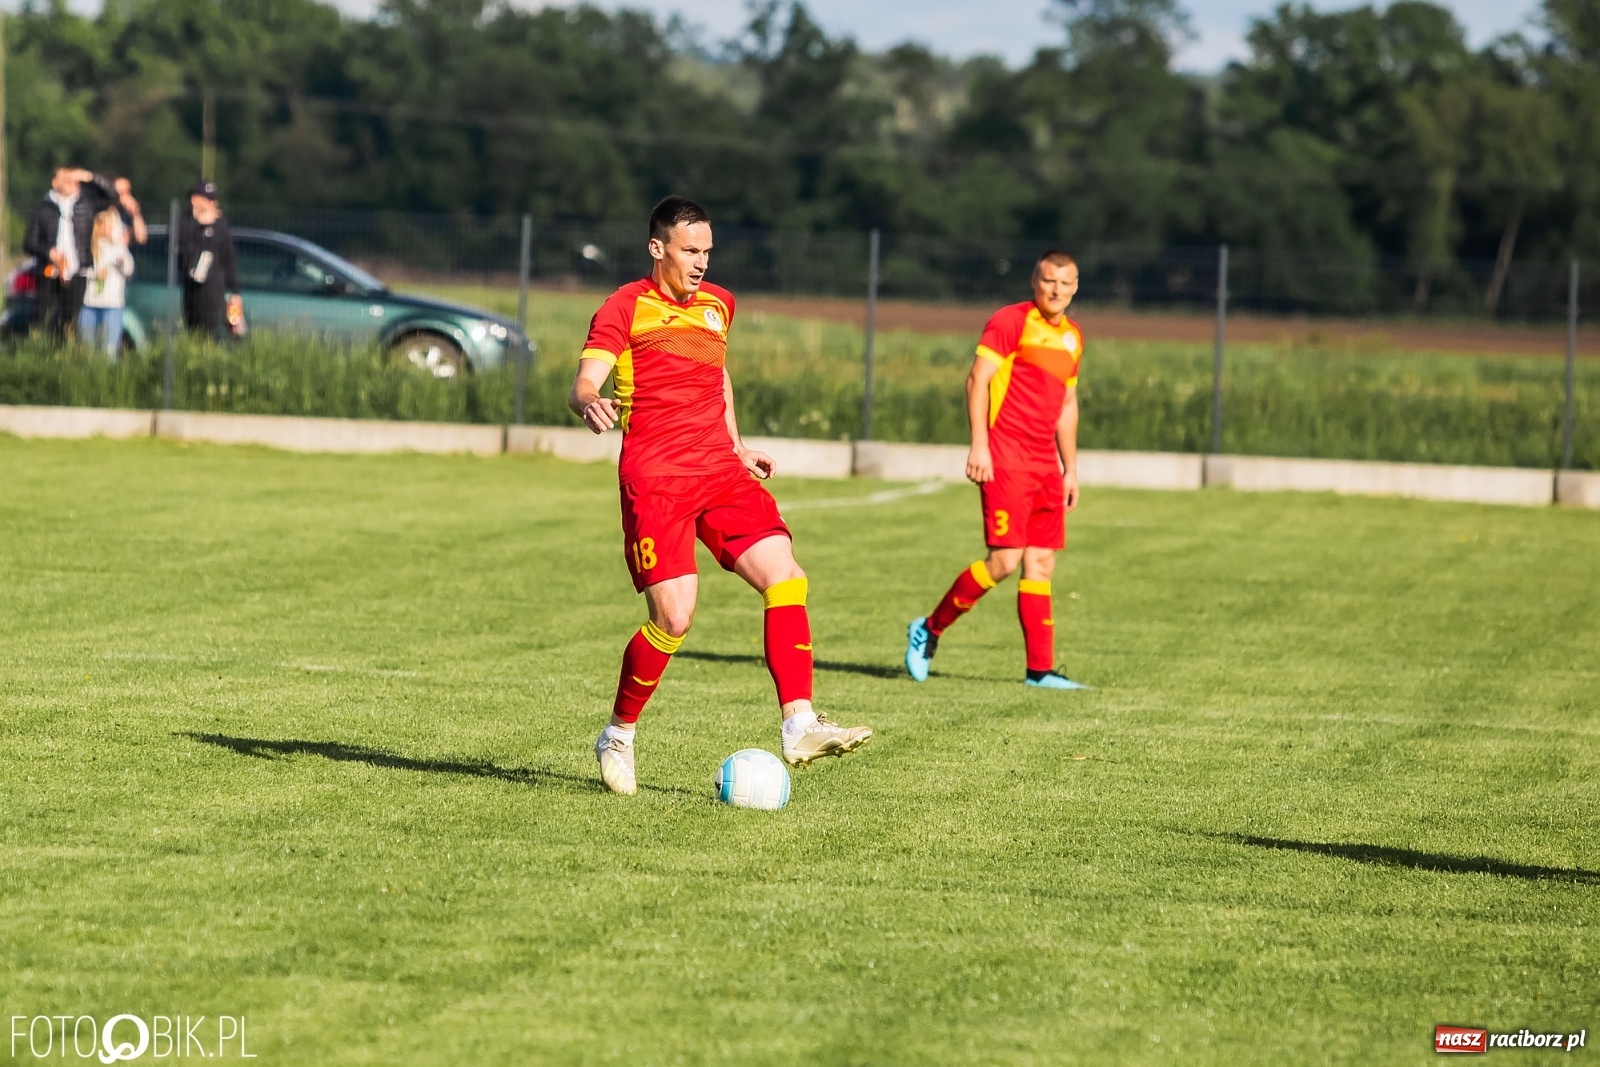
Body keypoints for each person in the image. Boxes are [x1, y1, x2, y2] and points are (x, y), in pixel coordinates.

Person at [569, 195, 873, 796]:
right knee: (673, 617)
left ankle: (799, 724)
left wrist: (736, 447)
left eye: (708, 251)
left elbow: (718, 376)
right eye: (690, 250)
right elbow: (584, 380)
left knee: (786, 576)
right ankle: (619, 733)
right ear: (658, 249)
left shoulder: (719, 305)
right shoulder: (624, 307)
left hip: (719, 471)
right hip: (656, 478)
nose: (702, 262)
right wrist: (589, 403)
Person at [904, 251, 1091, 690]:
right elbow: (978, 380)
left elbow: (1066, 405)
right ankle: (929, 629)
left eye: (1065, 283)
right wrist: (979, 445)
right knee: (1005, 561)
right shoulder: (1011, 321)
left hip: (1046, 463)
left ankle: (1039, 671)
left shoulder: (1073, 338)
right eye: (1048, 281)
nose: (1056, 290)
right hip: (1006, 456)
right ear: (1034, 280)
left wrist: (1072, 469)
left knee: (1041, 563)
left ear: (1076, 286)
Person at [22, 167, 119, 340]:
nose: (73, 184)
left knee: (70, 322)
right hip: (50, 272)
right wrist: (48, 252)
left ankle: (66, 359)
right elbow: (29, 243)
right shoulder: (44, 210)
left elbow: (112, 196)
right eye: (67, 180)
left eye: (75, 181)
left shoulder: (87, 204)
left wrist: (88, 176)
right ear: (55, 183)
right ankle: (38, 353)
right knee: (43, 320)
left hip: (77, 273)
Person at [177, 180, 242, 339]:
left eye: (214, 200)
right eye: (208, 199)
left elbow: (229, 257)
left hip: (214, 290)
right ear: (195, 199)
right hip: (191, 290)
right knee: (193, 331)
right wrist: (199, 225)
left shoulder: (220, 224)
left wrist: (235, 291)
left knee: (212, 332)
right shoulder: (184, 222)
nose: (213, 204)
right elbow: (181, 247)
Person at [77, 207, 135, 358]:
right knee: (86, 349)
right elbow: (79, 269)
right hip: (90, 303)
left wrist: (121, 260)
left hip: (113, 304)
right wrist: (94, 274)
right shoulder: (89, 248)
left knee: (109, 350)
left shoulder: (118, 248)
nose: (112, 229)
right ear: (99, 226)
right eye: (109, 225)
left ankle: (107, 377)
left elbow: (129, 270)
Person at [113, 177, 149, 246]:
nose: (125, 197)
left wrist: (136, 213)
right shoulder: (105, 211)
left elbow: (141, 238)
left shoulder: (126, 213)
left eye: (127, 192)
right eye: (121, 193)